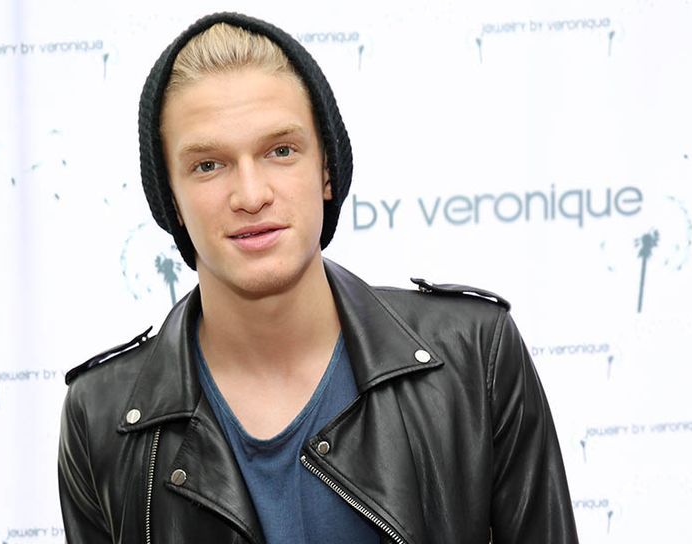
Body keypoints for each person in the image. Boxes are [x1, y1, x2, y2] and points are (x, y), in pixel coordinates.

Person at [58, 12, 579, 544]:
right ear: (170, 199)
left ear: (327, 169)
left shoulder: (475, 356)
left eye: (281, 151)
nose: (251, 195)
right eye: (208, 165)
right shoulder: (100, 416)